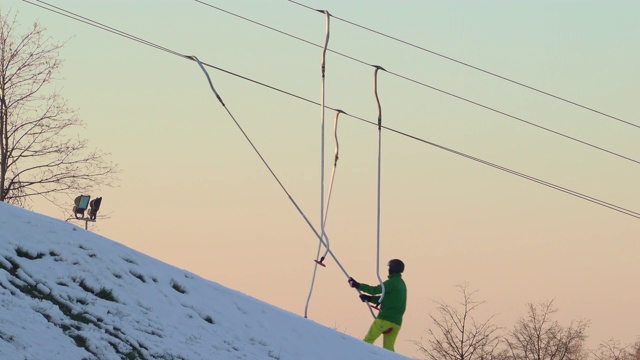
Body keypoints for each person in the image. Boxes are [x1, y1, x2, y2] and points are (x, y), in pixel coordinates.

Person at [348, 259, 407, 352]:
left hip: (385, 319)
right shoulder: (401, 284)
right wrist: (369, 299)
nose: (388, 270)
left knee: (368, 341)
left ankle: (360, 355)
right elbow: (387, 299)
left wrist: (358, 285)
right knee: (388, 349)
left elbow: (375, 290)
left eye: (389, 268)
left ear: (392, 269)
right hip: (397, 322)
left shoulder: (391, 283)